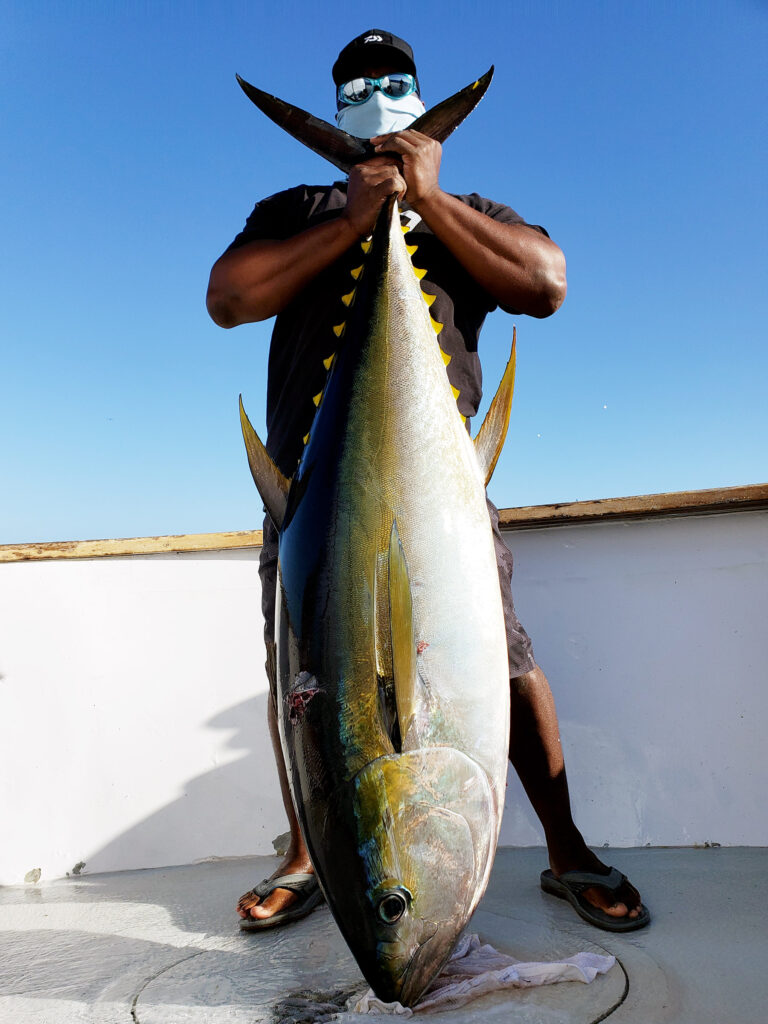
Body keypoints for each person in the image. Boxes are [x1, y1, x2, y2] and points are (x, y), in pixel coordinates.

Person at [207, 29, 649, 934]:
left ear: (419, 94)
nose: (377, 92)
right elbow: (230, 299)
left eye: (393, 80)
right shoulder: (296, 205)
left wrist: (429, 199)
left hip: (442, 500)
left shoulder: (470, 207)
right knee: (305, 677)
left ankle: (566, 851)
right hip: (310, 497)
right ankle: (308, 855)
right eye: (359, 83)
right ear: (337, 107)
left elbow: (544, 283)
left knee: (505, 659)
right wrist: (352, 220)